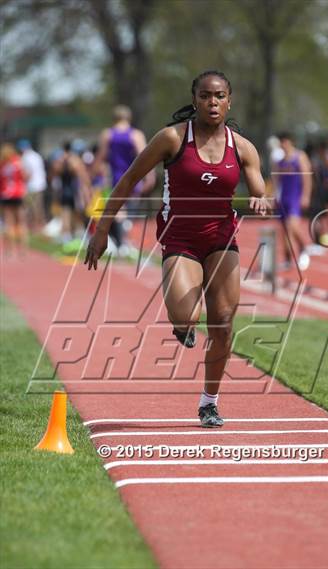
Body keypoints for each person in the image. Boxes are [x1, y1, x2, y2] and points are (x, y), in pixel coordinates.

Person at [85, 70, 270, 428]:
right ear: (195, 99)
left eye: (219, 96)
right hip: (180, 238)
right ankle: (182, 325)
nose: (212, 103)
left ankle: (209, 403)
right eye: (205, 96)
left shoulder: (243, 147)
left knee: (224, 322)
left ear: (229, 101)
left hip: (221, 239)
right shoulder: (171, 139)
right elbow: (127, 181)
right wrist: (102, 228)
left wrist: (260, 199)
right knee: (184, 316)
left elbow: (258, 183)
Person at [96, 105, 156, 254]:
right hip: (133, 177)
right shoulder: (136, 135)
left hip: (115, 177)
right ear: (129, 118)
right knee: (129, 210)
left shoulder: (107, 134)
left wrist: (93, 175)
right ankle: (123, 242)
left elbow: (100, 157)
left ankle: (121, 242)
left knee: (119, 210)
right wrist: (150, 176)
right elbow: (146, 156)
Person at [272, 131, 312, 271]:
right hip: (283, 199)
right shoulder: (280, 162)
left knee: (292, 227)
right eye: (281, 142)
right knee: (283, 232)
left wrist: (306, 195)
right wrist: (274, 197)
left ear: (290, 142)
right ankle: (288, 259)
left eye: (285, 141)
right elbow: (276, 182)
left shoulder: (299, 157)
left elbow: (307, 178)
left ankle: (304, 247)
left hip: (295, 198)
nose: (283, 145)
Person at [53, 141, 91, 243]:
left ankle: (68, 235)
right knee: (77, 213)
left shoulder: (60, 159)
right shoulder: (75, 160)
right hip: (74, 190)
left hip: (65, 189)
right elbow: (82, 176)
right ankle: (76, 235)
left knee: (66, 212)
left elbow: (55, 172)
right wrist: (86, 190)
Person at [0, 142, 28, 255]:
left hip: (6, 194)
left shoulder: (2, 164)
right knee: (20, 222)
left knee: (8, 223)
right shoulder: (17, 162)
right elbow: (24, 176)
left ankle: (9, 250)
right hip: (18, 193)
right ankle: (22, 249)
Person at [16, 139, 47, 232]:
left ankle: (36, 227)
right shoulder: (36, 155)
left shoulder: (26, 157)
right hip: (40, 184)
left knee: (31, 207)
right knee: (38, 207)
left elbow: (28, 173)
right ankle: (40, 226)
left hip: (32, 185)